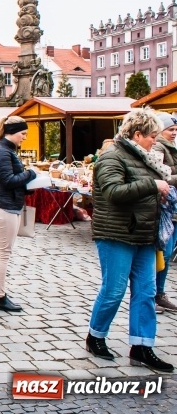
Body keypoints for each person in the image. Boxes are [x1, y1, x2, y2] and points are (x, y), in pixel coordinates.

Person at [86, 108, 173, 372]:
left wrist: (163, 187)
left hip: (145, 235)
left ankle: (142, 346)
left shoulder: (145, 156)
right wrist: (153, 186)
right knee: (114, 290)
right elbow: (114, 192)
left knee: (146, 292)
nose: (155, 141)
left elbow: (156, 182)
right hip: (116, 234)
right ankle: (96, 336)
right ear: (137, 134)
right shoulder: (111, 157)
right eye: (152, 136)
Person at [0, 116, 37, 312]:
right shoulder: (2, 152)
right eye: (22, 133)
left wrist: (27, 185)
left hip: (8, 205)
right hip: (3, 206)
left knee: (4, 252)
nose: (24, 137)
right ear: (12, 132)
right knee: (3, 253)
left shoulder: (5, 150)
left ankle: (0, 294)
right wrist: (31, 174)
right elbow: (8, 180)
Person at [153, 112, 177, 313]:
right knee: (164, 252)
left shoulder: (170, 147)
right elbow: (161, 176)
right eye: (171, 129)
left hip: (172, 207)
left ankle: (158, 293)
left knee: (166, 254)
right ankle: (155, 293)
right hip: (165, 208)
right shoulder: (158, 147)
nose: (174, 133)